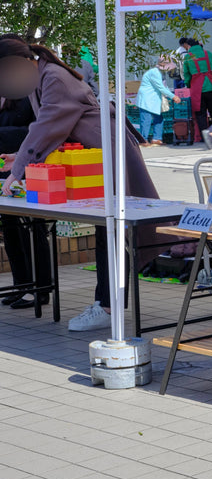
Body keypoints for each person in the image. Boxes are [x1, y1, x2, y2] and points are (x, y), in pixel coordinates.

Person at [0, 35, 160, 332]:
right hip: (92, 157)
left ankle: (108, 307)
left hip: (107, 154)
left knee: (111, 227)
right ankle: (106, 304)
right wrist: (18, 158)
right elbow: (50, 128)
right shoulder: (43, 75)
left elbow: (48, 124)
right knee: (108, 227)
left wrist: (18, 170)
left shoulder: (53, 77)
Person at [0, 93, 50, 309]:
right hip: (4, 168)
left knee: (32, 228)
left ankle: (40, 287)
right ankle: (21, 285)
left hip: (26, 166)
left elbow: (39, 129)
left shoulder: (27, 93)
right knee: (10, 227)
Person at [180, 37, 212, 143]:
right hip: (211, 86)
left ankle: (204, 137)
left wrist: (188, 85)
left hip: (197, 89)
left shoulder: (188, 57)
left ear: (189, 46)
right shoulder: (208, 54)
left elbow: (187, 75)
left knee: (201, 114)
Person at [135, 55, 179, 145]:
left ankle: (157, 138)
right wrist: (173, 96)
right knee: (146, 119)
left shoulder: (161, 73)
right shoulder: (155, 73)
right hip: (146, 98)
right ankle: (143, 139)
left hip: (154, 98)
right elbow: (161, 87)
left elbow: (164, 86)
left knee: (159, 118)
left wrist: (169, 96)